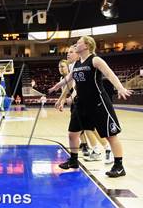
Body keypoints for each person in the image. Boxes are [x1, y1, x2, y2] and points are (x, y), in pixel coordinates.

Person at [49, 36, 132, 177]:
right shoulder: (76, 64)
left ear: (87, 45)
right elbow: (69, 78)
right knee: (72, 133)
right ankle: (74, 160)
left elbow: (110, 74)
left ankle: (119, 166)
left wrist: (120, 88)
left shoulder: (95, 60)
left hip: (98, 103)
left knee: (110, 135)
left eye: (78, 43)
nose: (76, 45)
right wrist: (57, 86)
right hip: (82, 104)